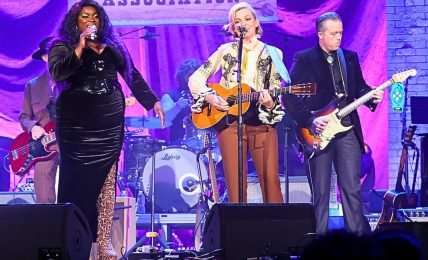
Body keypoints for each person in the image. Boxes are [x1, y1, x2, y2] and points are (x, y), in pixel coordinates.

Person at [48, 1, 164, 258]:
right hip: (76, 123)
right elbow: (58, 73)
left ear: (101, 20)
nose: (90, 20)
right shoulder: (61, 46)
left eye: (95, 16)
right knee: (73, 183)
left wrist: (152, 101)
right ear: (75, 21)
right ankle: (72, 241)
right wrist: (79, 48)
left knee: (107, 182)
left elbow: (132, 76)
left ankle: (104, 244)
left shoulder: (114, 45)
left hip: (108, 122)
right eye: (84, 16)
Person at [283, 12, 383, 235]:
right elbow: (288, 95)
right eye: (333, 33)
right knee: (321, 192)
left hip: (347, 129)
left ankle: (357, 242)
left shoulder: (350, 57)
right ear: (321, 35)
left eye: (340, 33)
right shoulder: (305, 58)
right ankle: (320, 242)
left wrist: (371, 96)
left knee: (351, 189)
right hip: (318, 132)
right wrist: (310, 120)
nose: (339, 37)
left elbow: (359, 88)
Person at [188, 2, 286, 203]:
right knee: (236, 184)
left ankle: (277, 231)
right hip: (230, 123)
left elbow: (276, 89)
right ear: (232, 27)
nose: (243, 24)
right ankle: (238, 232)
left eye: (248, 19)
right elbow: (195, 78)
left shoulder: (274, 53)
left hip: (262, 123)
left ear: (257, 23)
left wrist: (269, 104)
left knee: (270, 181)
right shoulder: (226, 51)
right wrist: (210, 96)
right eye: (237, 21)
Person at [19, 37, 59, 203]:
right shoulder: (33, 85)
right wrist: (33, 127)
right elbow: (24, 117)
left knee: (74, 191)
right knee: (43, 191)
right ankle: (48, 225)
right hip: (44, 145)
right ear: (44, 57)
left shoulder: (74, 83)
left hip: (70, 141)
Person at [160, 59, 200, 146]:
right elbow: (163, 120)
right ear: (182, 76)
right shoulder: (171, 96)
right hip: (180, 145)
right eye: (190, 75)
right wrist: (177, 106)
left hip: (205, 143)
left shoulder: (206, 93)